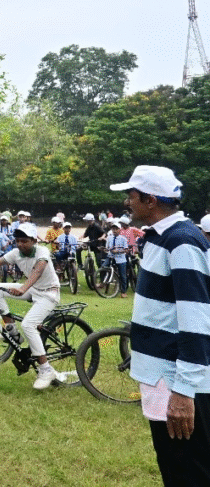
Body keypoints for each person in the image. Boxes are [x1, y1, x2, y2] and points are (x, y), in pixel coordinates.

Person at [110, 165, 210, 485]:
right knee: (172, 465)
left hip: (176, 381)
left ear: (150, 200)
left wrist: (184, 391)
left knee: (189, 471)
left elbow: (196, 318)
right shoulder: (160, 237)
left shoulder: (181, 241)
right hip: (160, 377)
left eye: (131, 195)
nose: (127, 201)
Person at [0, 223, 62, 390]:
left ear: (34, 240)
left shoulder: (42, 252)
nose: (20, 244)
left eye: (24, 241)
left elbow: (38, 271)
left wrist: (23, 288)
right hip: (33, 290)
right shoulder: (16, 253)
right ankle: (11, 328)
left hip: (49, 293)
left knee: (29, 325)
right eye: (18, 241)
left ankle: (45, 369)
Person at [100, 221, 129, 298]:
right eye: (113, 229)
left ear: (120, 230)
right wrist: (103, 249)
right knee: (102, 268)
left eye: (116, 229)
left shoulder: (123, 239)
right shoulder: (109, 238)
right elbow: (107, 249)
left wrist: (118, 251)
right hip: (110, 257)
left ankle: (123, 291)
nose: (114, 231)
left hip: (120, 259)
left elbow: (126, 250)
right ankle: (102, 282)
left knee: (122, 275)